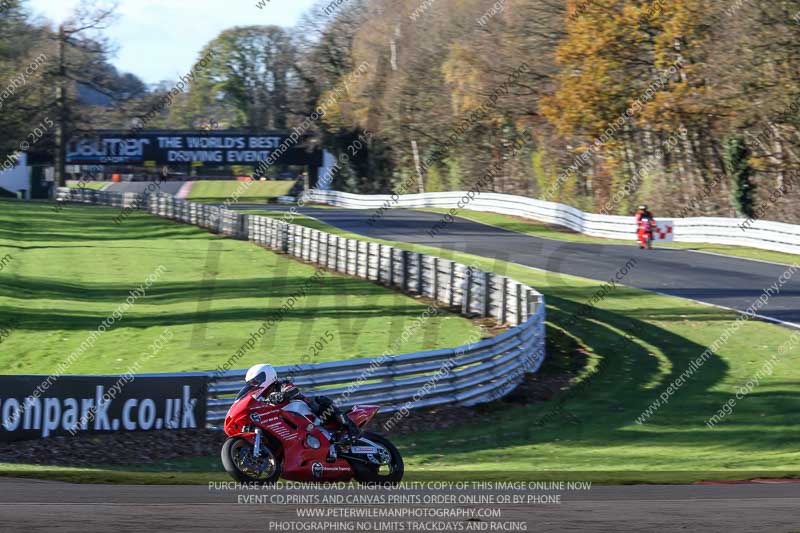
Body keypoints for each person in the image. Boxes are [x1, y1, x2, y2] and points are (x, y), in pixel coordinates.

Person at [240, 364, 361, 451]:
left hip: (311, 414)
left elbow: (292, 390)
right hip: (290, 428)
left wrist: (281, 395)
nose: (254, 385)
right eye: (251, 383)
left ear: (266, 376)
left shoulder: (281, 385)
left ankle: (352, 430)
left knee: (322, 401)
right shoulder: (260, 398)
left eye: (256, 381)